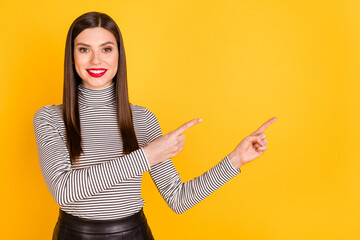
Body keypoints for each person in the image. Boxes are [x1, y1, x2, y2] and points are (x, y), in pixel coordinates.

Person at [33, 11, 277, 240]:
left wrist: (236, 159)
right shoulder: (49, 118)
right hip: (74, 234)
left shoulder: (142, 119)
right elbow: (64, 191)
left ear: (119, 55)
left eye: (106, 49)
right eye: (84, 49)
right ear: (72, 56)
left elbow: (178, 199)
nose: (96, 59)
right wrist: (148, 155)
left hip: (133, 233)